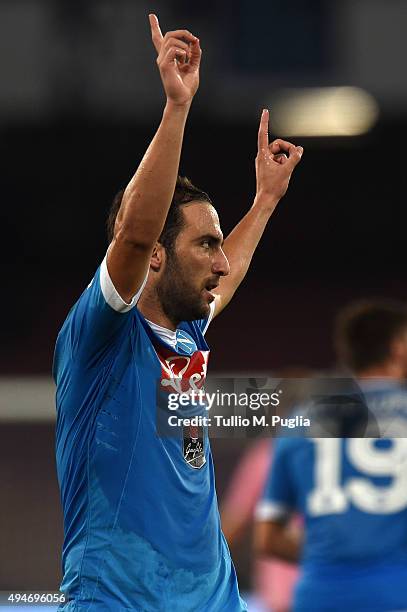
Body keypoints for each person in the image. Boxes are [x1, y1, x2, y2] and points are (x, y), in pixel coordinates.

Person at [53, 13, 303, 612]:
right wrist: (176, 109)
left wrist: (264, 202)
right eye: (205, 244)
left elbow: (227, 277)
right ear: (157, 258)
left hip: (214, 600)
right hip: (120, 599)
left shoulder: (186, 332)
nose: (220, 261)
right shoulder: (104, 336)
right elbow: (134, 237)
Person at [255, 300, 407, 612]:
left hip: (322, 596)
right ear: (397, 348)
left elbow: (268, 539)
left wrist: (338, 551)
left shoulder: (298, 424)